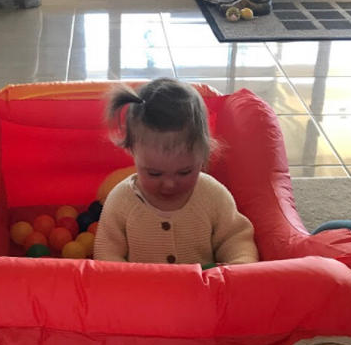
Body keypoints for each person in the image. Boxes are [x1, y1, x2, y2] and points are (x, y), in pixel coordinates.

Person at [93, 78, 259, 266]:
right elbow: (106, 252)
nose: (170, 184)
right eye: (154, 173)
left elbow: (235, 237)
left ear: (204, 154)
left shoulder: (213, 195)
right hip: (141, 293)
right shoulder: (121, 200)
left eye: (185, 172)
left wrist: (240, 263)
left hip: (204, 293)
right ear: (132, 152)